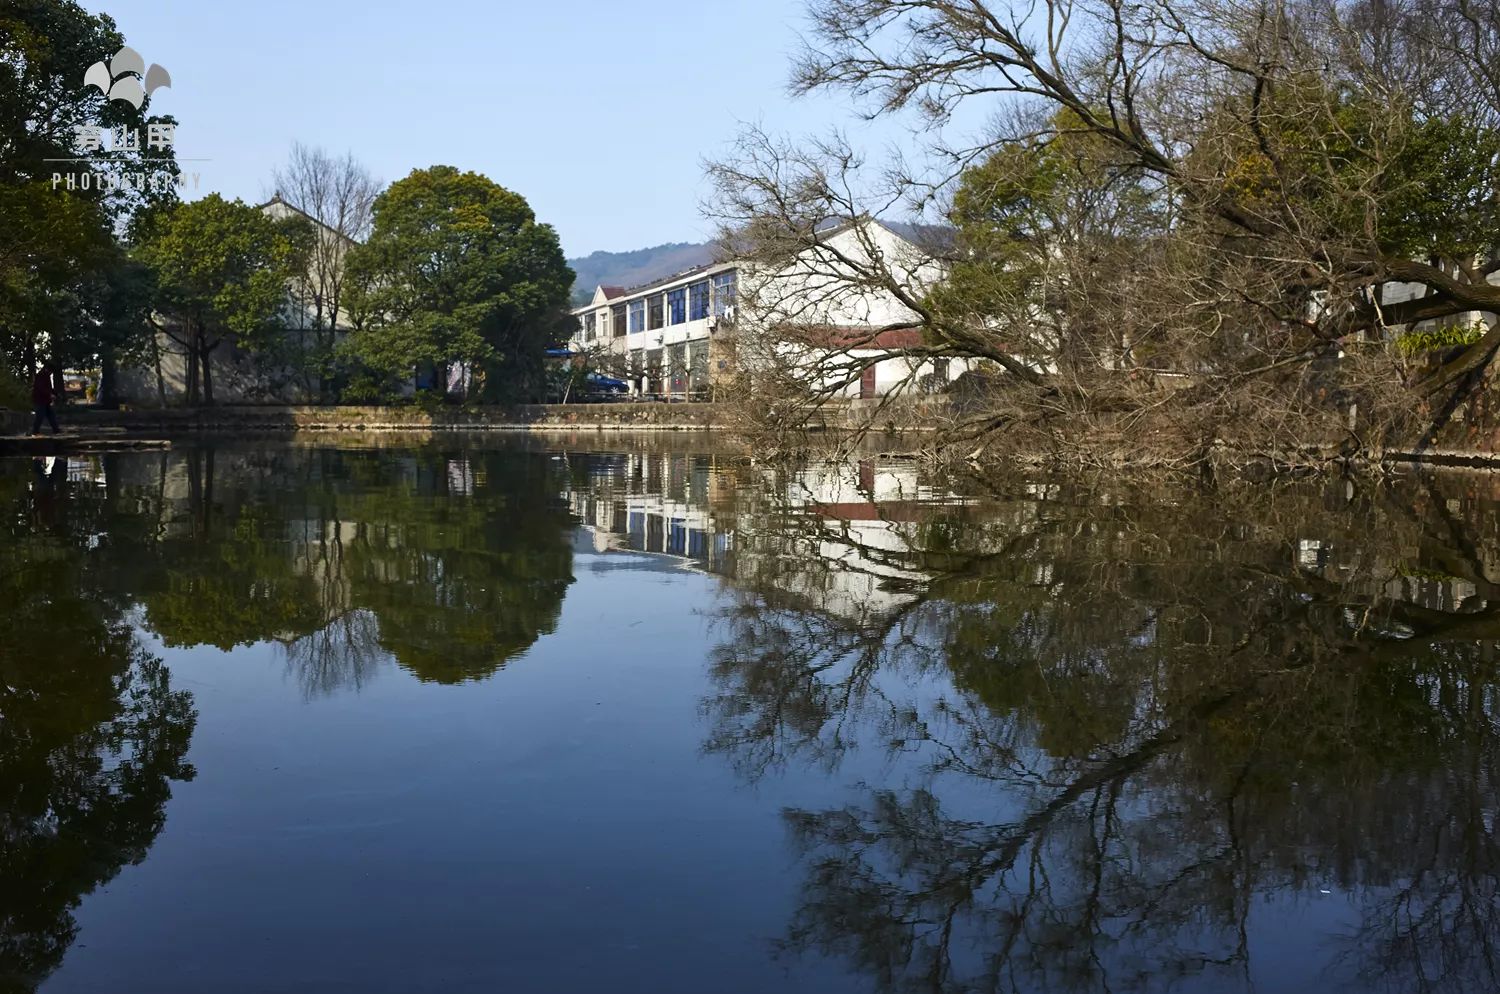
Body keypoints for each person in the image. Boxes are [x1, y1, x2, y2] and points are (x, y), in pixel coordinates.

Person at [31, 363, 59, 435]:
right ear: (48, 369)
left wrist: (54, 393)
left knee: (51, 415)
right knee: (40, 415)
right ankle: (35, 431)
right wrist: (50, 394)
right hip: (40, 399)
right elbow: (41, 388)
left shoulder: (45, 375)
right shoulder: (41, 376)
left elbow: (48, 388)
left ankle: (56, 430)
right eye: (51, 372)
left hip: (45, 399)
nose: (51, 373)